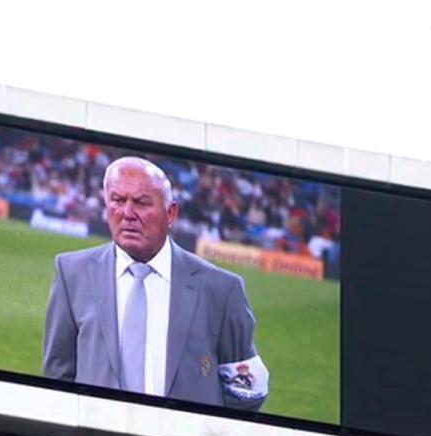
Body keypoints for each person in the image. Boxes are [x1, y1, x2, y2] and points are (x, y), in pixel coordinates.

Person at [42, 156, 268, 411]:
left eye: (141, 203)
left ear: (170, 213)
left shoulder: (222, 290)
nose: (127, 214)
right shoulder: (72, 274)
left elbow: (246, 392)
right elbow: (57, 379)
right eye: (117, 200)